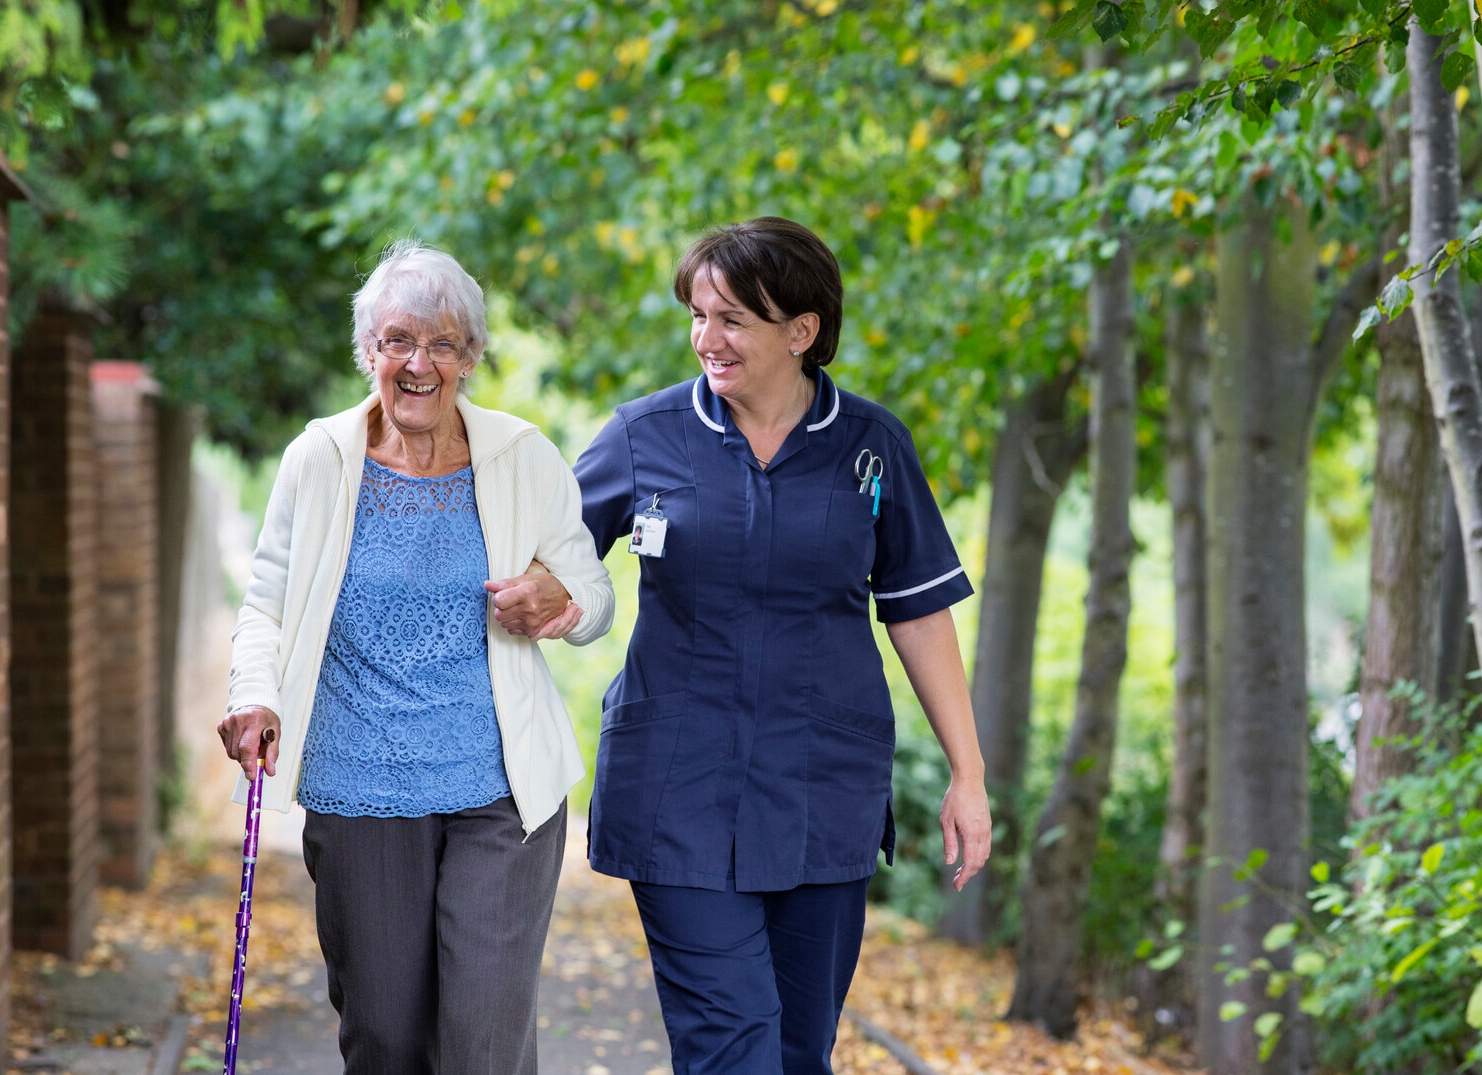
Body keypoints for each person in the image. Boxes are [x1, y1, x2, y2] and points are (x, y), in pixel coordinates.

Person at [517, 217, 991, 1074]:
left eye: (732, 318)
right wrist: (545, 591)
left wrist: (969, 773)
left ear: (801, 332)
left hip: (825, 789)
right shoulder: (643, 435)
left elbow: (917, 609)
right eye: (698, 315)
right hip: (677, 791)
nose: (707, 338)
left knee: (799, 1051)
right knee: (731, 1046)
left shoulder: (870, 450)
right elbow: (549, 560)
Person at [216, 240, 613, 1075]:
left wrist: (561, 603)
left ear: (470, 357)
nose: (418, 362)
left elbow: (593, 595)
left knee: (482, 1043)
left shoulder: (521, 457)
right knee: (387, 1039)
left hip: (500, 790)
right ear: (370, 353)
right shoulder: (319, 461)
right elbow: (266, 605)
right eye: (398, 340)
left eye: (442, 344)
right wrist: (258, 696)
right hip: (359, 785)